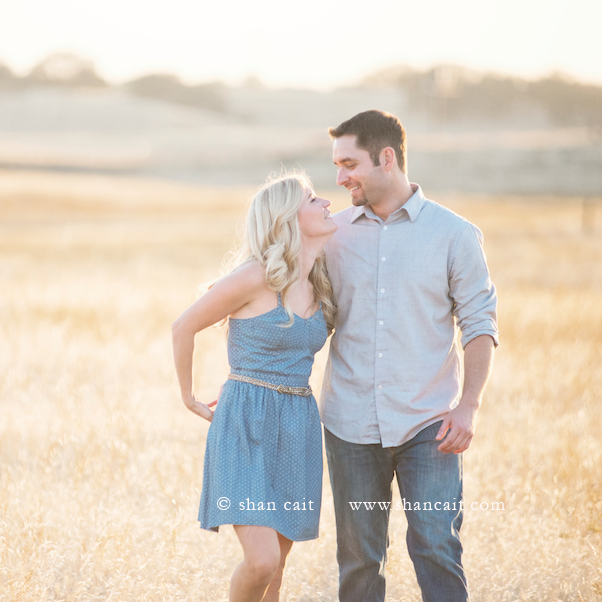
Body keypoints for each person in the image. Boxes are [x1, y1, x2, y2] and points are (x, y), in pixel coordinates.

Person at [321, 110, 499, 602]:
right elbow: (306, 314)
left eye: (349, 164)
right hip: (349, 423)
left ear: (386, 158)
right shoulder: (330, 235)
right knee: (359, 560)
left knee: (436, 547)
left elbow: (479, 322)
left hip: (430, 424)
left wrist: (469, 405)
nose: (340, 178)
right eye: (336, 166)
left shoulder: (454, 234)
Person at [172, 172, 337, 602]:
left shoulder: (320, 283)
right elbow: (184, 326)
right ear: (288, 218)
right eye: (313, 199)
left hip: (298, 426)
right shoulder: (256, 276)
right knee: (261, 560)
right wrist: (188, 396)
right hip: (245, 423)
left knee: (277, 571)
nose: (327, 203)